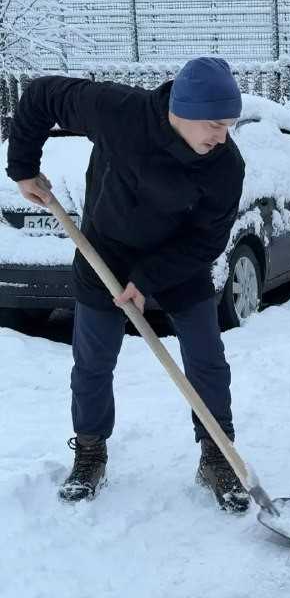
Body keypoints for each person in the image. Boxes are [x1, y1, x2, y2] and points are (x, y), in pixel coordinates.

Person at [5, 57, 249, 512]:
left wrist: (147, 280)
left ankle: (217, 453)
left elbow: (209, 239)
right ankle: (91, 449)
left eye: (228, 125)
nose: (221, 136)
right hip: (106, 252)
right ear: (183, 110)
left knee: (206, 357)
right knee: (93, 361)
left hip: (178, 259)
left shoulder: (225, 166)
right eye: (215, 124)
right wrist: (22, 167)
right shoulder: (119, 111)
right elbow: (41, 95)